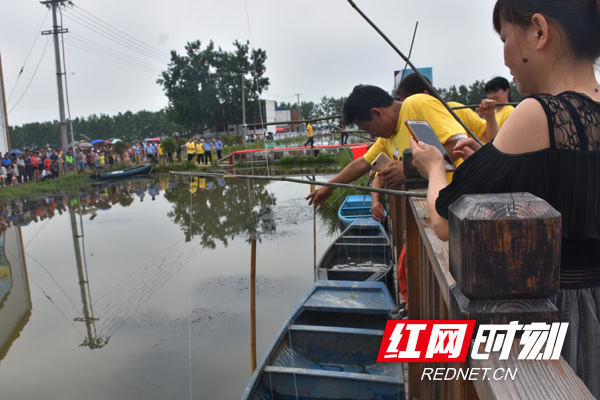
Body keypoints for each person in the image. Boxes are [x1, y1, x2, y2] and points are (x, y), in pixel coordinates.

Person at [410, 0, 600, 395]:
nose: (505, 56)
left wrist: (432, 169)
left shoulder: (539, 113)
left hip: (557, 318)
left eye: (505, 37)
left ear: (539, 32)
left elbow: (446, 223)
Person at [307, 84, 466, 212]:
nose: (371, 134)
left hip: (459, 203)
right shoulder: (388, 137)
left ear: (377, 113)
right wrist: (329, 186)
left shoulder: (417, 105)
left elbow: (459, 146)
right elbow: (362, 163)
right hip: (437, 208)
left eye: (368, 128)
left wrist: (408, 170)